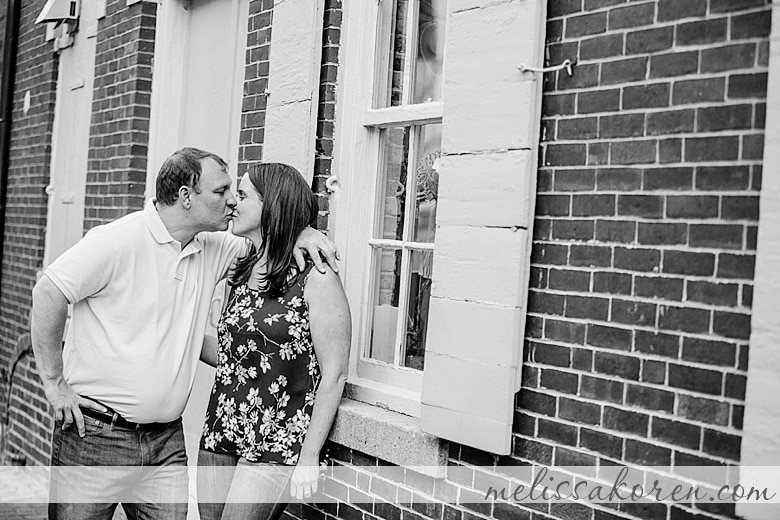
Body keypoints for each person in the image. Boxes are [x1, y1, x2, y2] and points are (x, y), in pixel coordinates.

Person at [30, 147, 338, 520]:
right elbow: (49, 293)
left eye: (236, 194)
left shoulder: (215, 247)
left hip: (165, 444)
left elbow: (272, 235)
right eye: (221, 191)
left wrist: (303, 230)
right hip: (96, 437)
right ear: (187, 196)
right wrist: (53, 382)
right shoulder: (117, 241)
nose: (230, 202)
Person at [197, 163, 351, 520]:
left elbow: (336, 374)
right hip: (221, 432)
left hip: (276, 444)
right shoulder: (240, 269)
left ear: (273, 206)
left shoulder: (317, 278)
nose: (233, 202)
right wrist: (176, 342)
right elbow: (232, 357)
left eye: (244, 194)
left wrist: (309, 456)